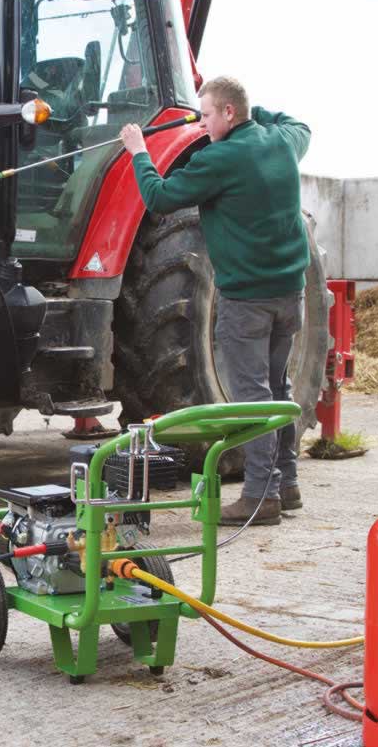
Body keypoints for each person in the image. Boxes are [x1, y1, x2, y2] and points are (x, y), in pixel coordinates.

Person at [120, 76, 310, 526]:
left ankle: (260, 497)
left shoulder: (219, 159)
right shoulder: (282, 143)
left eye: (206, 114)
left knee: (251, 400)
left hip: (247, 300)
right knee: (277, 389)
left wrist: (138, 152)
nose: (199, 125)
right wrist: (254, 113)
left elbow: (160, 196)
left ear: (228, 113)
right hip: (290, 294)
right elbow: (296, 124)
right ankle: (286, 483)